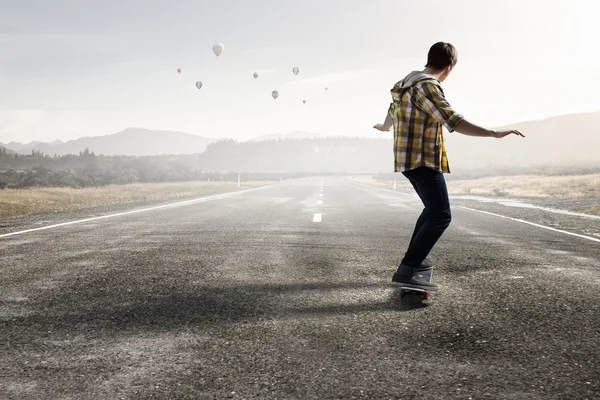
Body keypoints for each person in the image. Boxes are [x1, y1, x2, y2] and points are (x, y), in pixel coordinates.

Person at [373, 41, 524, 291]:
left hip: (406, 159)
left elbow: (392, 109)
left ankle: (414, 262)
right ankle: (408, 269)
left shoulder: (403, 84)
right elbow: (452, 120)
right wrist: (494, 133)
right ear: (449, 67)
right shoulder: (428, 86)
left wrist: (385, 126)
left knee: (431, 209)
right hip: (422, 158)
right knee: (442, 214)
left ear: (428, 60)